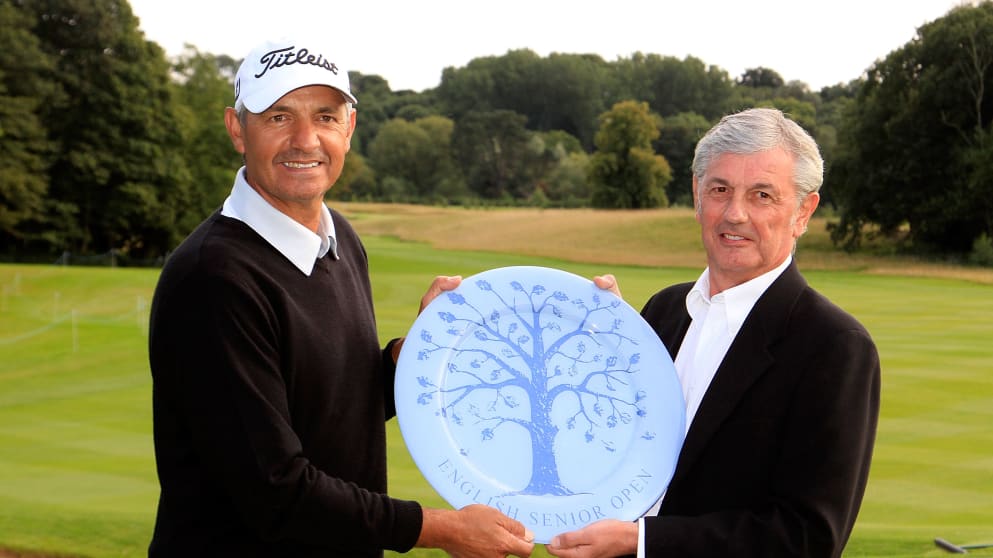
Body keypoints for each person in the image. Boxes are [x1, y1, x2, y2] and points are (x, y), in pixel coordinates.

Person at [147, 36, 534, 558]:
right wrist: (439, 528)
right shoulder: (213, 277)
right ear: (237, 129)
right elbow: (276, 489)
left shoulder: (339, 239)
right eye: (279, 117)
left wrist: (413, 354)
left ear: (349, 128)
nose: (305, 139)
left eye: (326, 117)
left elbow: (335, 413)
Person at [551, 108, 880, 558]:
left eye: (762, 195)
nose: (735, 213)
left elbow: (807, 538)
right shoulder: (662, 311)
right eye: (720, 189)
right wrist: (604, 347)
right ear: (696, 195)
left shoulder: (834, 345)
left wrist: (644, 541)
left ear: (804, 211)